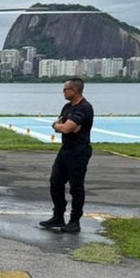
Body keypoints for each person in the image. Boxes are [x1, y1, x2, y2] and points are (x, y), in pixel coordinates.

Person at [39, 77, 94, 233]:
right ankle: (58, 216)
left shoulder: (84, 108)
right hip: (66, 149)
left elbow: (65, 128)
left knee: (76, 187)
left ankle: (75, 221)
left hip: (79, 151)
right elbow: (60, 125)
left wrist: (60, 126)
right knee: (55, 181)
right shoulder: (67, 107)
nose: (63, 92)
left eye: (65, 89)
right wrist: (59, 126)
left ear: (74, 90)